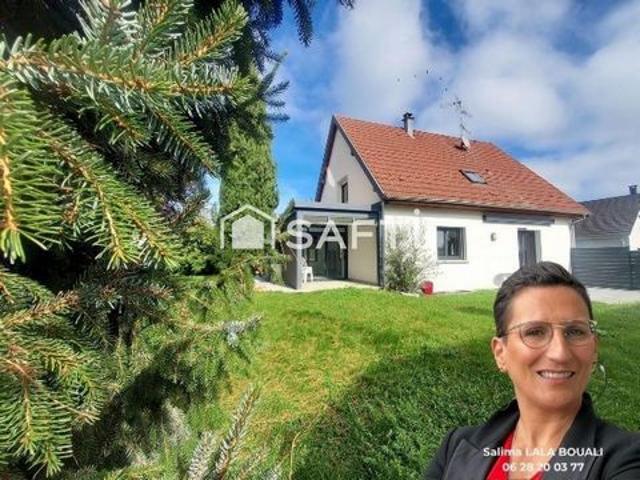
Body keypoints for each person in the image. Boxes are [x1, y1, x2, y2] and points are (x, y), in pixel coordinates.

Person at [424, 261, 640, 480]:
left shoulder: (626, 460)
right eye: (535, 332)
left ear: (594, 348)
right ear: (500, 353)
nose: (560, 353)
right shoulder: (455, 448)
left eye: (575, 332)